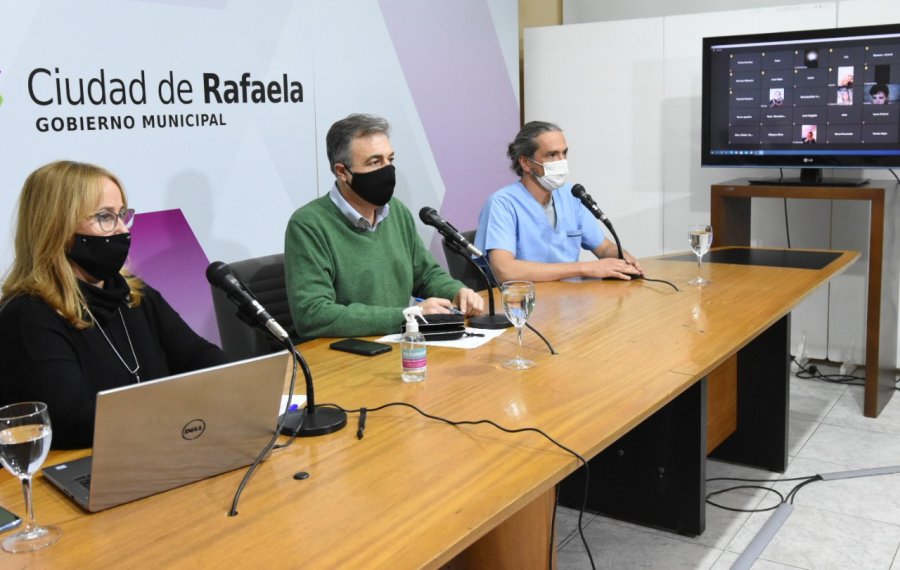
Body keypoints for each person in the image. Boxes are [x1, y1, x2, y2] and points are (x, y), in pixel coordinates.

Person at [0, 161, 228, 449]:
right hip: (84, 466)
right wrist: (175, 407)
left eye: (122, 215)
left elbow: (199, 356)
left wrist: (233, 384)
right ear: (58, 227)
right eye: (105, 217)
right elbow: (71, 418)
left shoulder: (133, 294)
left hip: (155, 447)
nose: (122, 230)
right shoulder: (28, 314)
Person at [284, 113, 483, 339]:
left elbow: (426, 275)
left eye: (390, 160)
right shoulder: (309, 224)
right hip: (343, 355)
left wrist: (457, 291)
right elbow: (313, 314)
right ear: (342, 172)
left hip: (396, 346)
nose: (387, 170)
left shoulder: (396, 211)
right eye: (375, 162)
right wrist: (408, 316)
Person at [475, 121, 642, 283]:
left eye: (564, 153)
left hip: (571, 300)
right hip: (526, 304)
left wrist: (623, 258)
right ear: (525, 162)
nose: (561, 161)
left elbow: (604, 248)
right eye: (552, 155)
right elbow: (505, 271)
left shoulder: (571, 195)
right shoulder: (502, 203)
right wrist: (584, 268)